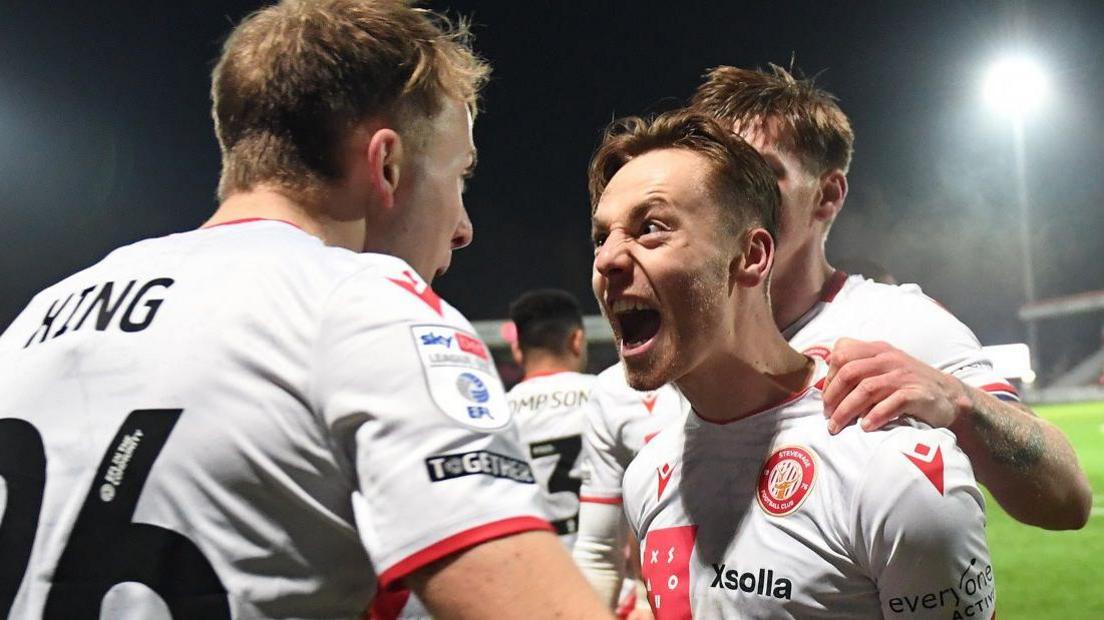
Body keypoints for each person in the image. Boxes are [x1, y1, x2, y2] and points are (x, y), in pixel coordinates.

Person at [0, 2, 610, 618]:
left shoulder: (37, 319)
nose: (463, 228)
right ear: (388, 165)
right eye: (460, 178)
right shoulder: (364, 307)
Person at [573, 64, 1091, 607]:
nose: (738, 187)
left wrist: (958, 402)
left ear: (826, 196)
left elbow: (1067, 500)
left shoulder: (900, 325)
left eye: (761, 171)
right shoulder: (650, 361)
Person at [505, 289, 594, 548]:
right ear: (576, 340)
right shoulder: (607, 395)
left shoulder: (498, 414)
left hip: (535, 569)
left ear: (517, 351)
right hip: (611, 571)